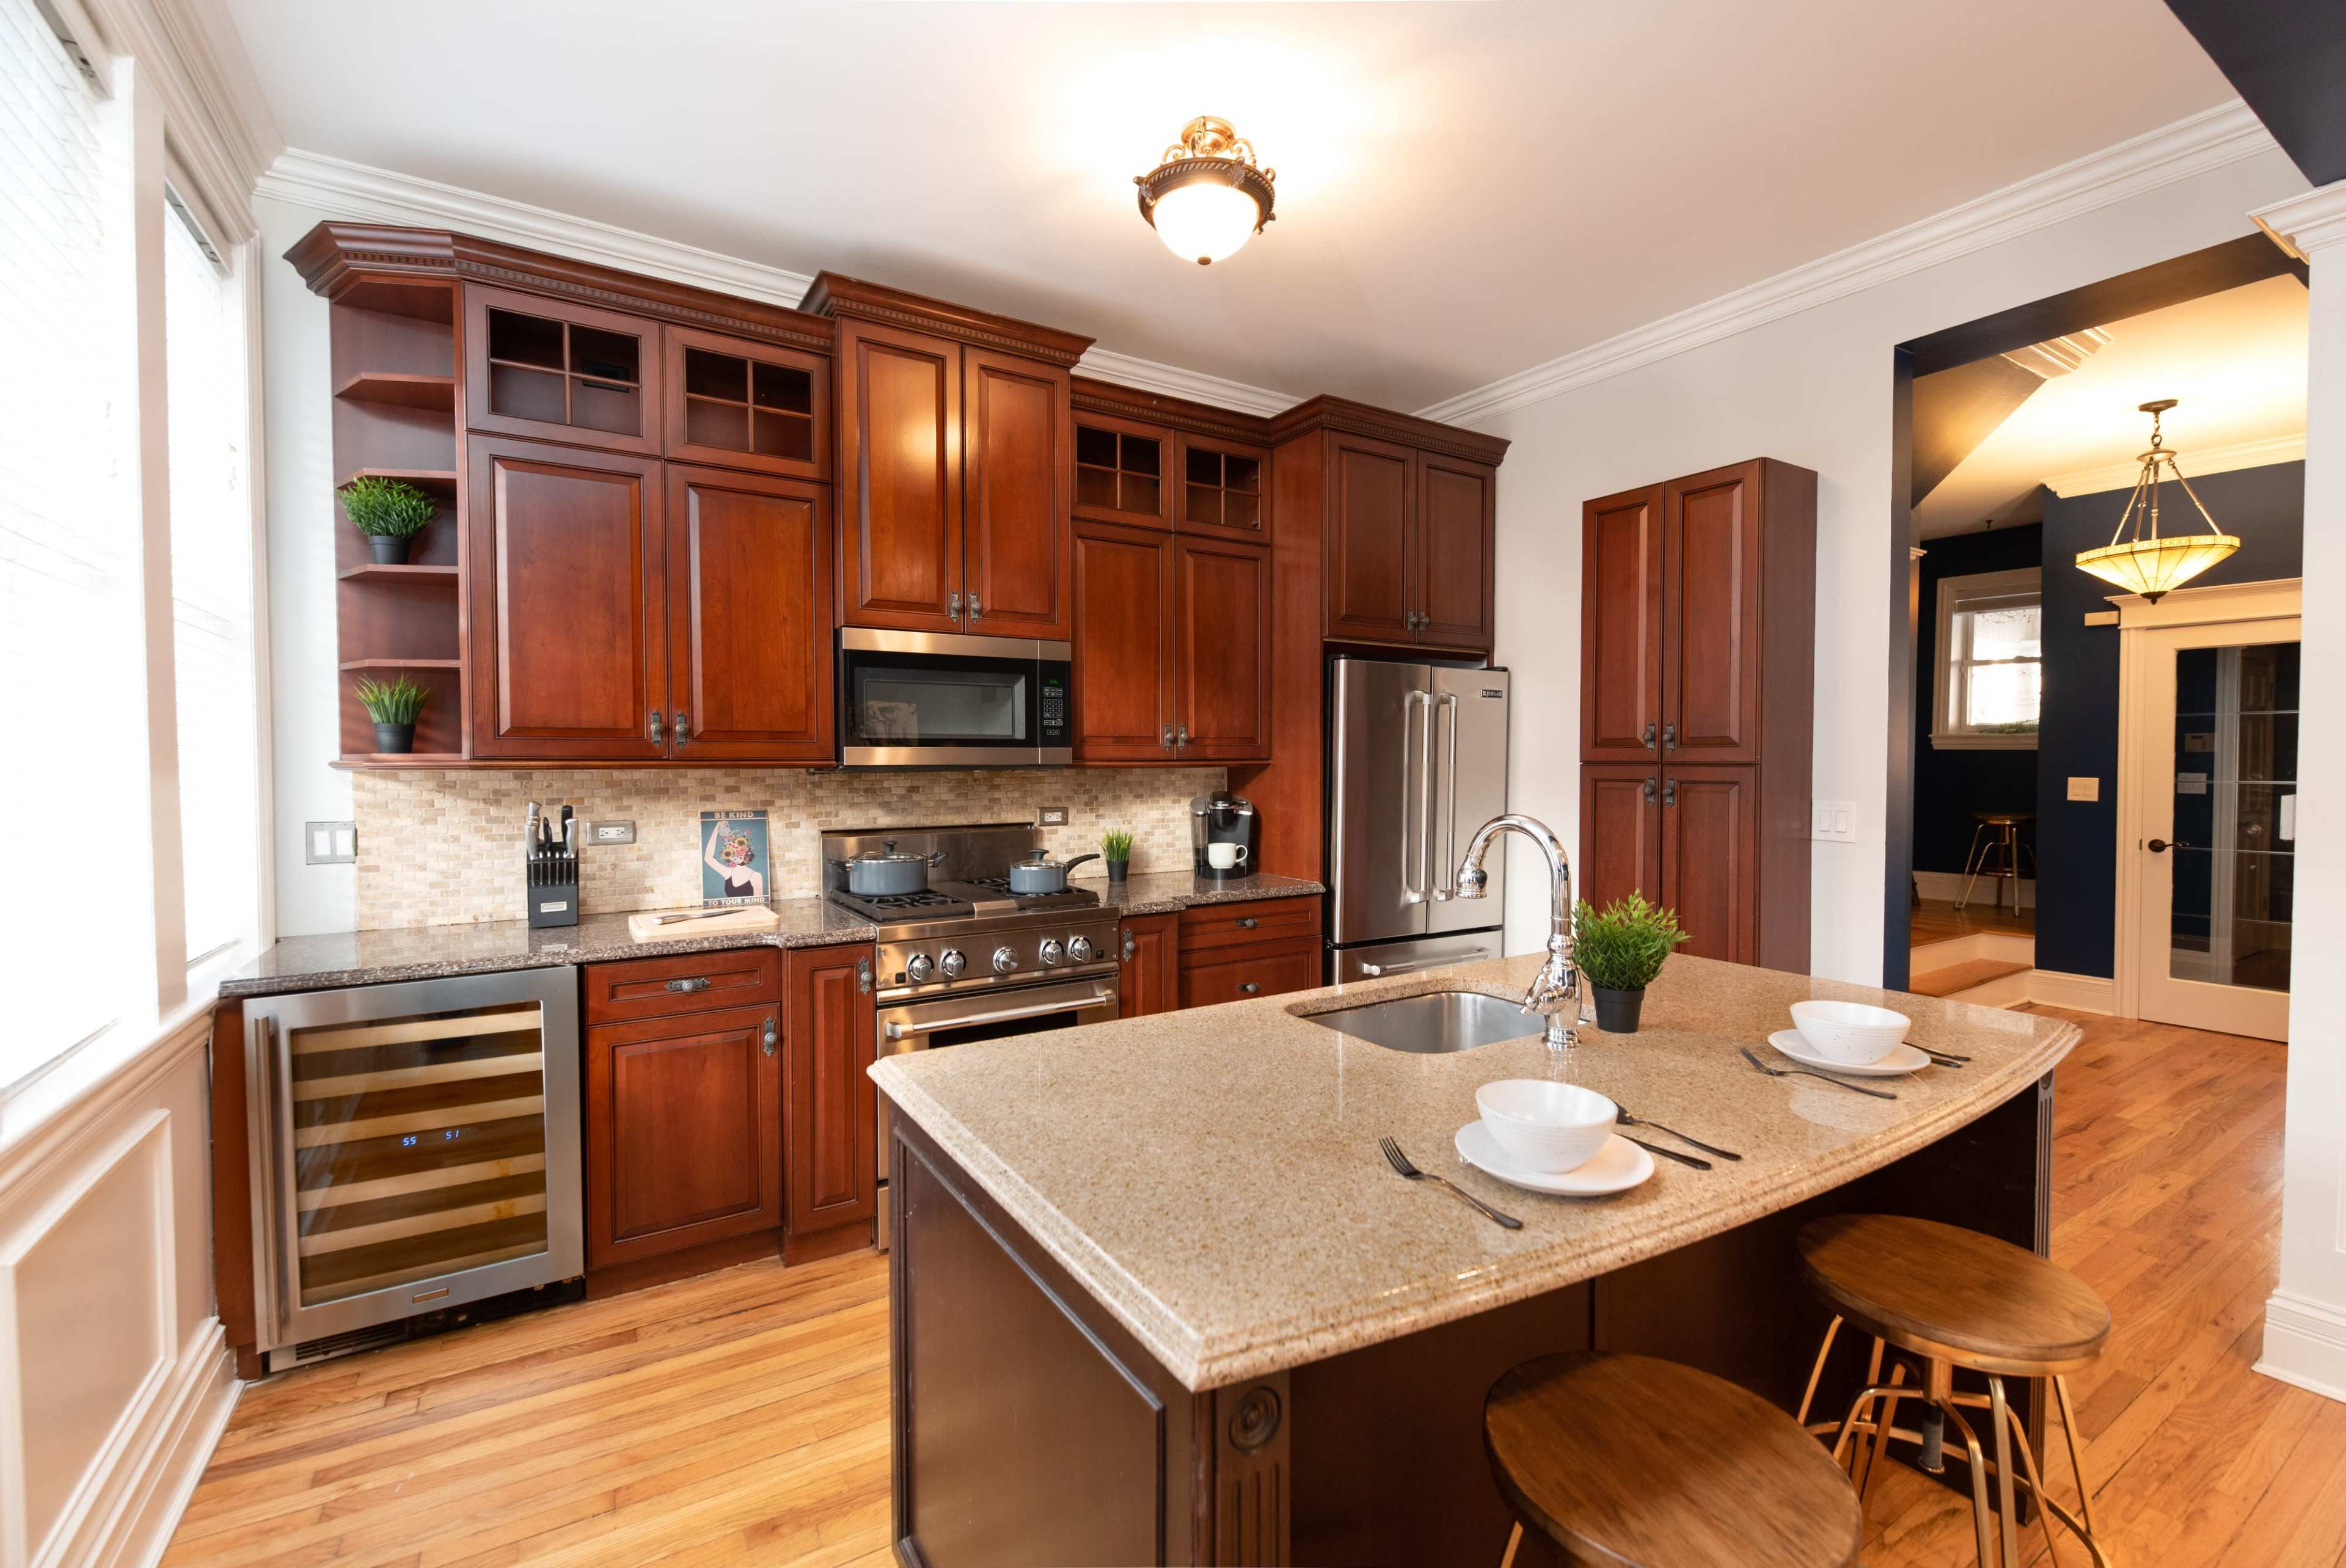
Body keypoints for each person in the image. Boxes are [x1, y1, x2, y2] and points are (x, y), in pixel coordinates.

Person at [704, 819, 765, 902]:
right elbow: (708, 858)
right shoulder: (728, 873)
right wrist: (717, 829)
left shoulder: (756, 876)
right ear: (729, 855)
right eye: (733, 852)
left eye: (739, 851)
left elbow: (759, 902)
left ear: (746, 853)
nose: (737, 854)